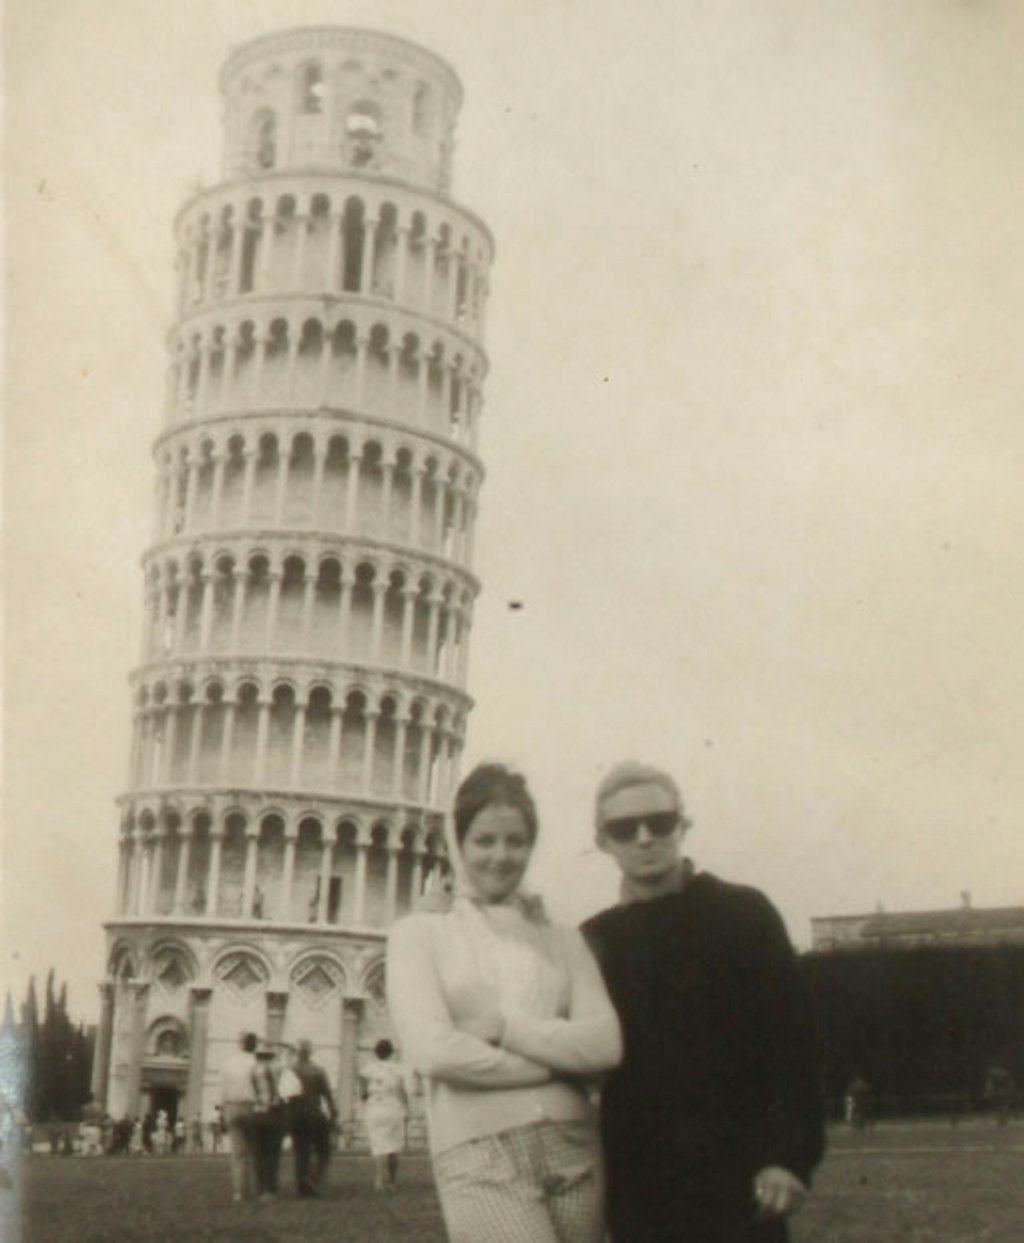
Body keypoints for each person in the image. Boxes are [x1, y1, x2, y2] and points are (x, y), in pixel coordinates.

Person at [581, 762, 825, 1243]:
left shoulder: (744, 914)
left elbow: (798, 1045)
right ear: (604, 841)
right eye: (625, 828)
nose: (645, 837)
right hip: (641, 1193)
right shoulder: (592, 940)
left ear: (684, 826)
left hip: (743, 1183)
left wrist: (791, 1159)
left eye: (660, 822)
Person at [387, 762, 623, 1243]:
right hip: (479, 1151)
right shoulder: (420, 934)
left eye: (516, 841)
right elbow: (434, 1051)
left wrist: (503, 1029)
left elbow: (605, 1045)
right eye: (484, 840)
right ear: (459, 843)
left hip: (575, 1146)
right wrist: (550, 1066)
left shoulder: (560, 937)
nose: (501, 856)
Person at [285, 1039, 337, 1197]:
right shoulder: (318, 1070)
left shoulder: (289, 1070)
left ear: (297, 1052)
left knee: (301, 1150)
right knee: (323, 1149)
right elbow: (327, 1093)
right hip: (313, 1112)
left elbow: (284, 1094)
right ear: (310, 1052)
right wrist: (333, 1111)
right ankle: (314, 1179)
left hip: (295, 1114)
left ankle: (302, 1184)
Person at [360, 1039, 409, 1192]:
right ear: (391, 1053)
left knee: (378, 1145)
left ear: (376, 1053)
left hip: (375, 1107)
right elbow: (402, 1091)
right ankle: (392, 1182)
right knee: (394, 1146)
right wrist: (407, 1109)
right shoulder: (398, 1070)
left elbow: (364, 1093)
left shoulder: (367, 1070)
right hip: (393, 1106)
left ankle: (379, 1180)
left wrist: (368, 1099)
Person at [219, 1030, 259, 1202]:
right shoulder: (257, 1063)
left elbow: (223, 1091)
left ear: (240, 1043)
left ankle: (238, 1193)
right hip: (251, 1107)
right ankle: (250, 1190)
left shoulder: (228, 1063)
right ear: (254, 1044)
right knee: (251, 1152)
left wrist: (222, 1113)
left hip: (232, 1106)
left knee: (237, 1154)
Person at [252, 1041, 286, 1199]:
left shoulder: (252, 1070)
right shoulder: (280, 1068)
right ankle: (271, 1188)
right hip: (275, 1111)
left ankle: (261, 1188)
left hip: (258, 1112)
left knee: (259, 1152)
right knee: (273, 1152)